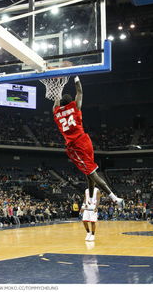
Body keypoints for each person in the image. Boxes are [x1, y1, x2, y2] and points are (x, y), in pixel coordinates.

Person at [53, 76, 124, 207]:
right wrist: (75, 76)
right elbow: (79, 92)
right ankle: (91, 199)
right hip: (85, 140)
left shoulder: (56, 112)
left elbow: (56, 101)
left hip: (75, 146)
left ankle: (114, 198)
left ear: (61, 104)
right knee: (88, 172)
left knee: (92, 173)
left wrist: (57, 88)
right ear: (70, 102)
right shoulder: (75, 107)